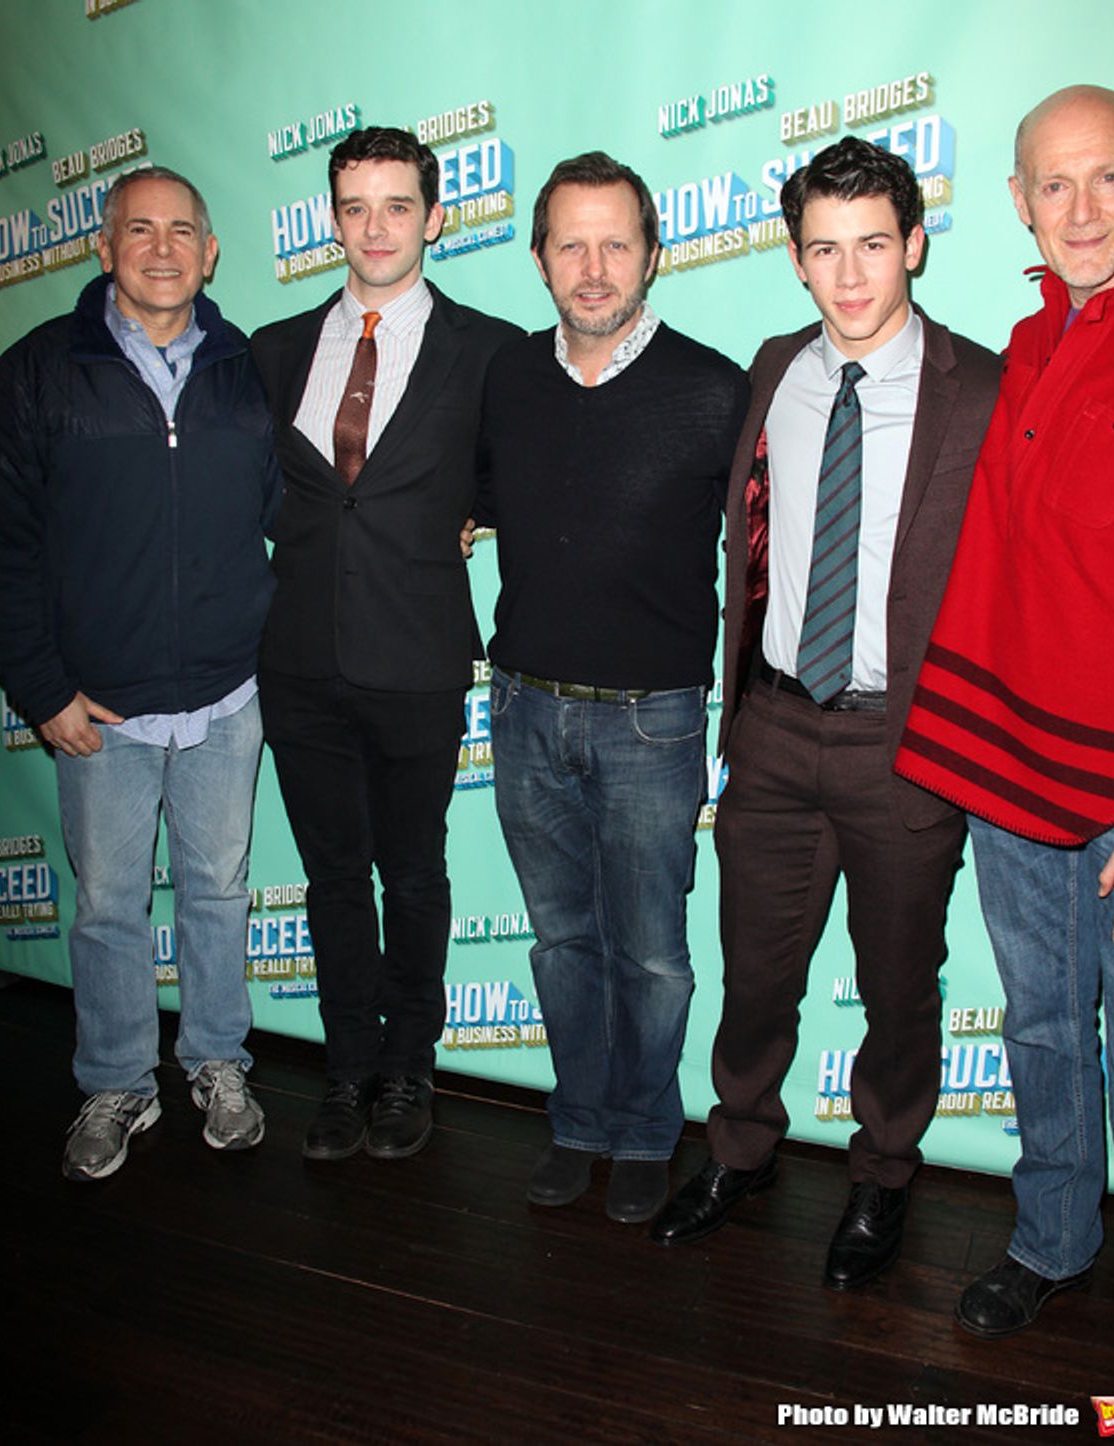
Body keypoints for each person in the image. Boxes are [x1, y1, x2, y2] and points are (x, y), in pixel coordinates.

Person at [651, 137, 1000, 1289]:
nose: (850, 275)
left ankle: (883, 1175)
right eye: (823, 250)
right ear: (796, 260)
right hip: (775, 730)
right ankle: (740, 1148)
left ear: (914, 244)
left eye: (871, 246)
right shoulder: (772, 369)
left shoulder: (983, 388)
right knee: (755, 970)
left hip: (906, 742)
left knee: (899, 984)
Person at [896, 86, 1114, 1435]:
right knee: (1036, 1031)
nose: (1079, 210)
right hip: (1014, 772)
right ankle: (1055, 1239)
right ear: (1018, 200)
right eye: (1051, 185)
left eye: (1104, 181)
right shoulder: (1026, 340)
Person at [0, 167, 278, 1180]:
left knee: (218, 891)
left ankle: (216, 1061)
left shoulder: (251, 370)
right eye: (138, 229)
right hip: (97, 708)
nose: (162, 248)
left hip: (228, 697)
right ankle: (114, 1080)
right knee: (109, 904)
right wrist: (41, 690)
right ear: (103, 248)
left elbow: (309, 511)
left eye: (182, 231)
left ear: (210, 253)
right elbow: (5, 547)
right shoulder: (32, 375)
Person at [477, 152, 748, 1224]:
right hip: (523, 708)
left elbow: (760, 554)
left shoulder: (713, 389)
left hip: (655, 722)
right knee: (559, 942)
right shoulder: (505, 378)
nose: (594, 269)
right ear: (539, 256)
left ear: (654, 254)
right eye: (571, 245)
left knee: (652, 956)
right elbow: (482, 497)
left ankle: (644, 1131)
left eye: (616, 244)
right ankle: (579, 1121)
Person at [250, 127, 518, 1163]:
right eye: (355, 207)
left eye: (397, 206)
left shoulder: (489, 350)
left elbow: (510, 475)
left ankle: (409, 1065)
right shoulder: (274, 351)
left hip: (416, 659)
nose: (375, 227)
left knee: (412, 874)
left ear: (434, 217)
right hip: (298, 660)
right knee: (329, 878)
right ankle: (347, 1068)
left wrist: (468, 513)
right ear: (331, 217)